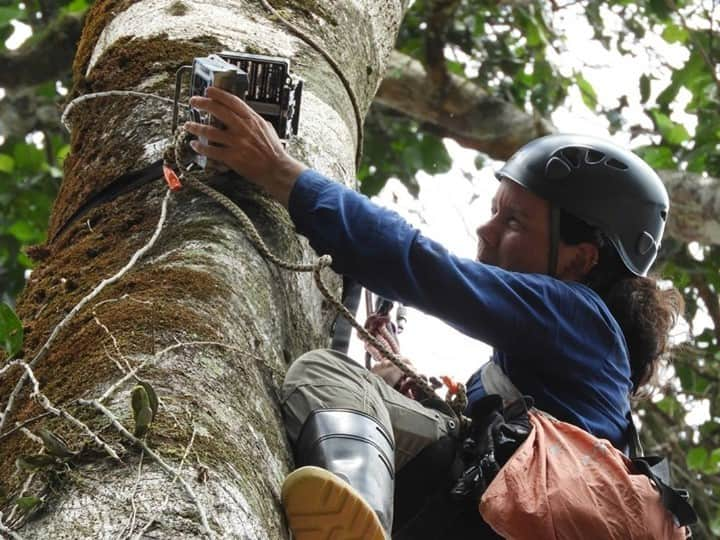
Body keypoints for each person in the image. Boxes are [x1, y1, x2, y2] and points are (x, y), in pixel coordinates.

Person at [185, 87, 684, 539]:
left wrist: (278, 169)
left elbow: (422, 266)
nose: (486, 233)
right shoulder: (560, 374)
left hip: (487, 513)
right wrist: (413, 392)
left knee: (323, 376)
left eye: (513, 220)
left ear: (581, 257)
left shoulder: (579, 317)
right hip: (494, 517)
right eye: (493, 212)